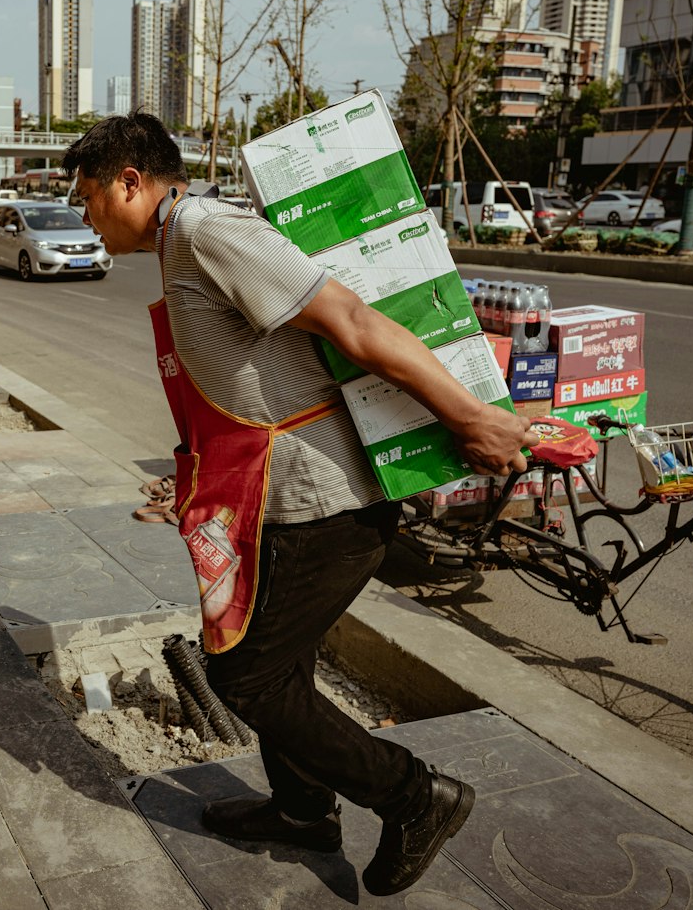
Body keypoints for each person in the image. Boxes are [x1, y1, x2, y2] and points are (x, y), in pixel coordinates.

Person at [62, 112, 533, 898]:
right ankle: (303, 809)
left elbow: (350, 318)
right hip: (277, 500)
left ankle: (414, 795)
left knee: (244, 670)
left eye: (87, 198)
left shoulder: (208, 229)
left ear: (131, 181)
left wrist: (470, 416)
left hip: (328, 503)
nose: (86, 216)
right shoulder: (181, 243)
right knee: (287, 659)